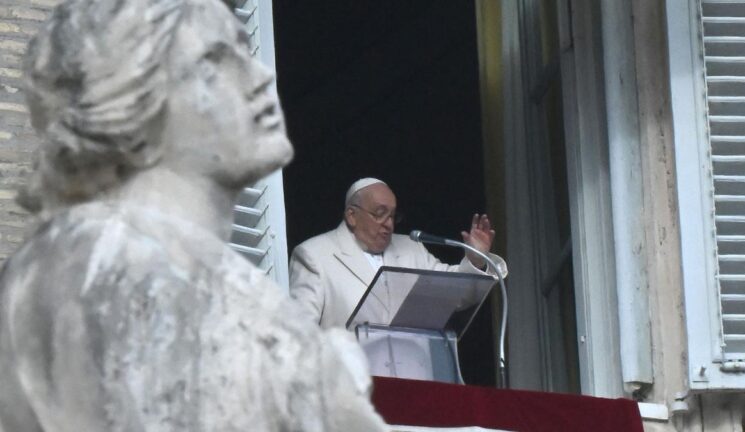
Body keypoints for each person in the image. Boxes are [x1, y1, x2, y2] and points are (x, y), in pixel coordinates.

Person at [0, 0, 386, 430]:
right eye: (216, 60)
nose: (261, 79)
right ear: (129, 99)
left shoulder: (102, 258)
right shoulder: (127, 270)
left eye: (245, 50)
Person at [289, 178, 508, 329]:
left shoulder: (411, 249)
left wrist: (476, 259)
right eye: (380, 214)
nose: (389, 225)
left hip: (412, 382)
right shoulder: (315, 255)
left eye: (393, 216)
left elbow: (455, 293)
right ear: (351, 215)